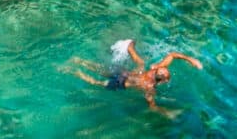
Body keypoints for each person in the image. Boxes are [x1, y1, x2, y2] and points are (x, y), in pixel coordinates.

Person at [71, 45, 203, 113]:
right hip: (121, 81)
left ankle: (78, 62)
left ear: (157, 71)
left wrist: (190, 59)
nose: (164, 67)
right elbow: (152, 106)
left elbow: (172, 55)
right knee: (96, 81)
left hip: (123, 74)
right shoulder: (150, 87)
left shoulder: (153, 70)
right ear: (163, 81)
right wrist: (166, 112)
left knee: (98, 70)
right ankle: (74, 70)